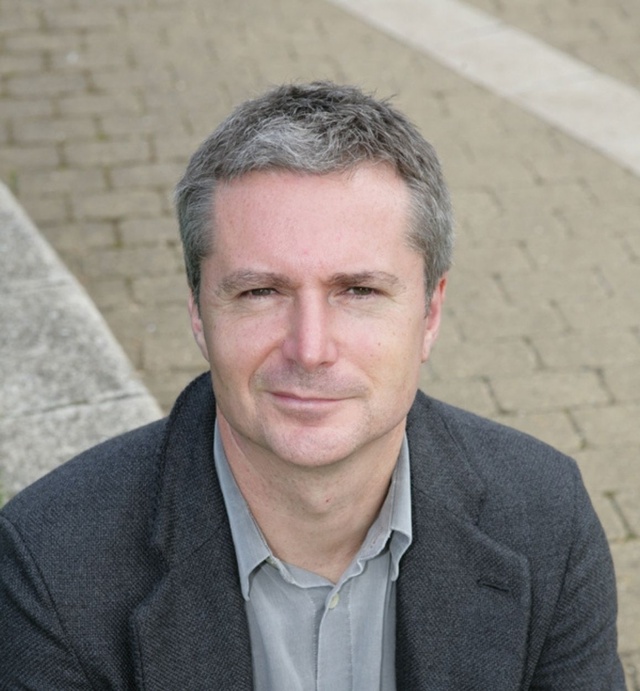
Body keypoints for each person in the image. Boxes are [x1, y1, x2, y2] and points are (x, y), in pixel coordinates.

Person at [0, 82, 625, 690]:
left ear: (430, 313)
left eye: (358, 291)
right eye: (259, 292)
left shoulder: (547, 519)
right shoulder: (50, 568)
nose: (310, 349)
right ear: (197, 312)